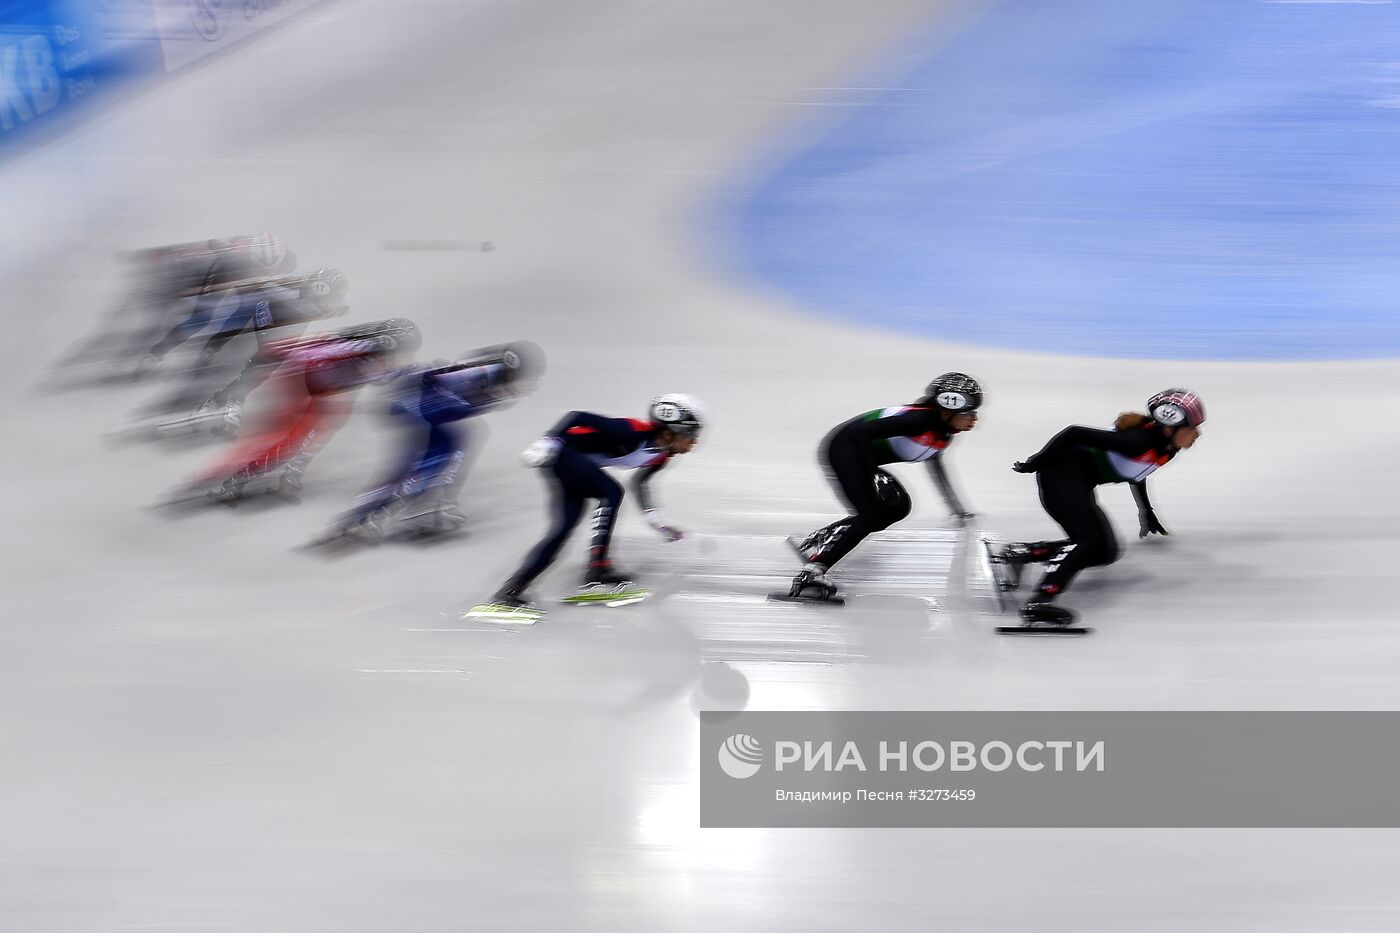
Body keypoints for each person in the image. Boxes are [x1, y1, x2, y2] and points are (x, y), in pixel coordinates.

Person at [1000, 388, 1206, 626]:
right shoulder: (1138, 441)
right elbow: (1074, 433)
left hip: (1077, 482)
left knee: (1105, 551)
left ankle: (1022, 553)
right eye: (1192, 428)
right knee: (1087, 542)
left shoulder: (1166, 447)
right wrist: (1035, 461)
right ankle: (1039, 602)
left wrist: (1146, 510)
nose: (1198, 434)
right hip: (1059, 477)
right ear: (1170, 428)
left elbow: (1138, 473)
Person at [482, 394, 704, 612]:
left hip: (578, 466)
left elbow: (640, 482)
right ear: (669, 431)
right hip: (562, 455)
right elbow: (577, 416)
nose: (693, 443)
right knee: (612, 492)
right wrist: (548, 441)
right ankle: (598, 568)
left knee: (563, 531)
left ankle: (510, 592)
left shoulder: (662, 456)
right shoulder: (631, 432)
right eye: (691, 435)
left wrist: (655, 520)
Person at [162, 319, 420, 506]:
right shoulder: (356, 349)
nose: (396, 360)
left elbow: (385, 373)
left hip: (317, 388)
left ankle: (262, 473)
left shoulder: (371, 356)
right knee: (284, 438)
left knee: (318, 427)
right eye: (398, 354)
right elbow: (320, 347)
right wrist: (282, 351)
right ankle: (228, 477)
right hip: (304, 383)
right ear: (386, 346)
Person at [310, 341, 545, 546]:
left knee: (455, 444)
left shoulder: (496, 378)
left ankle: (420, 505)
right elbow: (433, 382)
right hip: (415, 408)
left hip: (430, 410)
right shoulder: (478, 378)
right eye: (526, 382)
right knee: (416, 465)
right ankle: (359, 517)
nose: (527, 388)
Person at [784, 372, 981, 601]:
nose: (974, 419)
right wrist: (873, 475)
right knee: (871, 515)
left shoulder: (943, 432)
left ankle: (818, 541)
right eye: (969, 413)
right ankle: (812, 571)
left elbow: (935, 464)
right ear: (947, 411)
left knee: (897, 507)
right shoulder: (922, 420)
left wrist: (955, 507)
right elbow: (860, 433)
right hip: (845, 450)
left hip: (858, 455)